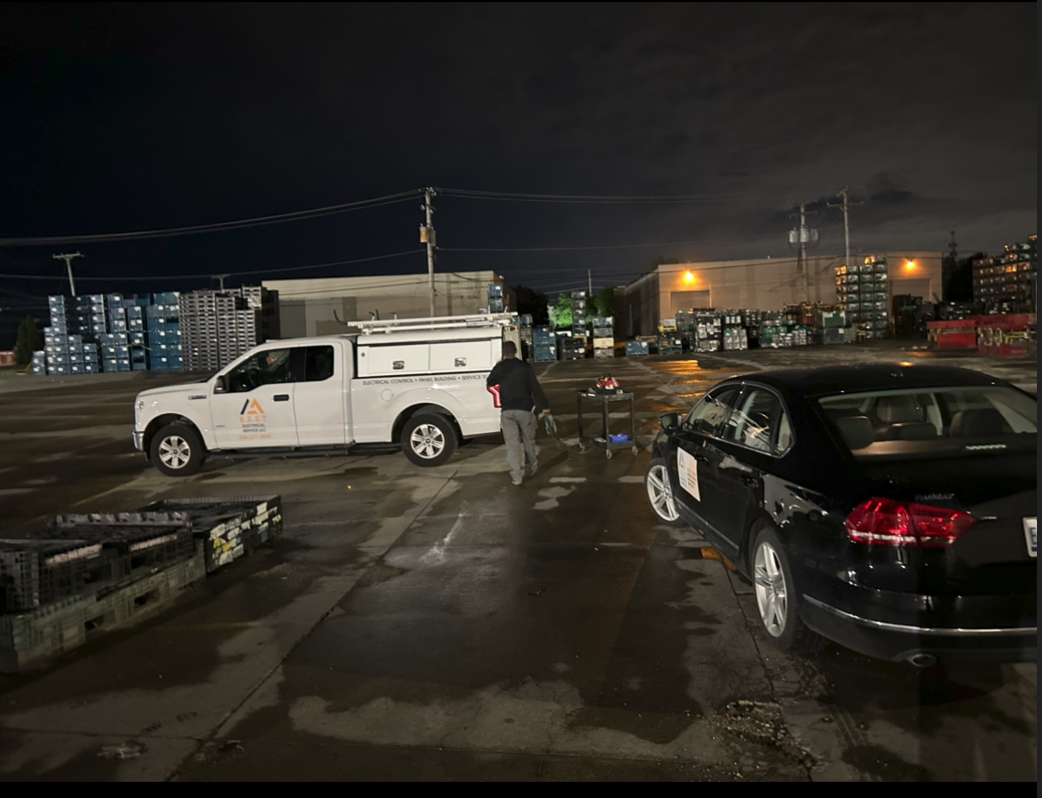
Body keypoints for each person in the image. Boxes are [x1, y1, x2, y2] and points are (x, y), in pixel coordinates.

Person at [486, 340, 550, 486]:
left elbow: (490, 381)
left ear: (503, 353)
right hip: (525, 409)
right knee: (529, 441)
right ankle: (531, 468)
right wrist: (545, 405)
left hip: (507, 411)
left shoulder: (500, 368)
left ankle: (516, 477)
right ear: (515, 351)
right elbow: (535, 387)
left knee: (512, 445)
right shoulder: (524, 367)